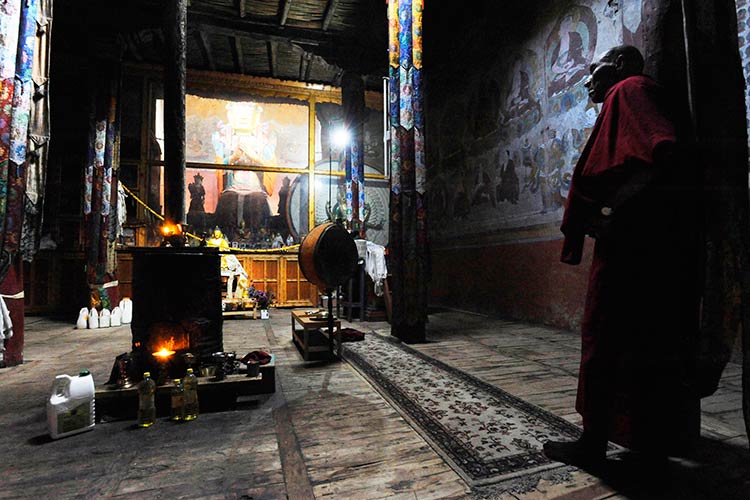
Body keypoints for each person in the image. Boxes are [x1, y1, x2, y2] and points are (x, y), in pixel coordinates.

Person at [544, 46, 703, 466]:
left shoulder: (629, 90)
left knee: (604, 335)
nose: (587, 81)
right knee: (636, 338)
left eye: (593, 70)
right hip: (639, 238)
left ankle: (595, 443)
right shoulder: (625, 97)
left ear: (619, 66)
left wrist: (613, 210)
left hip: (634, 242)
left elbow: (662, 153)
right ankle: (640, 438)